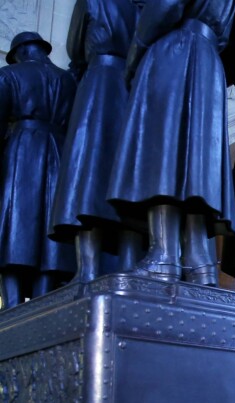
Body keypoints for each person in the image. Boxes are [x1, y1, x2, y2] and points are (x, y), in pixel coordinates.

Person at [107, 0, 235, 286]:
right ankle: (199, 260)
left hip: (174, 51)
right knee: (196, 164)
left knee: (162, 153)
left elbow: (166, 5)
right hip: (209, 57)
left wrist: (135, 53)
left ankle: (163, 255)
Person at [50, 0, 145, 283]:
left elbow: (74, 49)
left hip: (98, 88)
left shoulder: (92, 0)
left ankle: (87, 270)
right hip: (133, 89)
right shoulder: (142, 6)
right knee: (129, 185)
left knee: (86, 182)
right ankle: (129, 267)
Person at [0, 31, 77, 308]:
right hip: (58, 152)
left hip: (21, 152)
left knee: (13, 225)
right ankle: (41, 303)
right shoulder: (67, 80)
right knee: (48, 228)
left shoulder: (9, 75)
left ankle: (11, 306)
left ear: (19, 52)